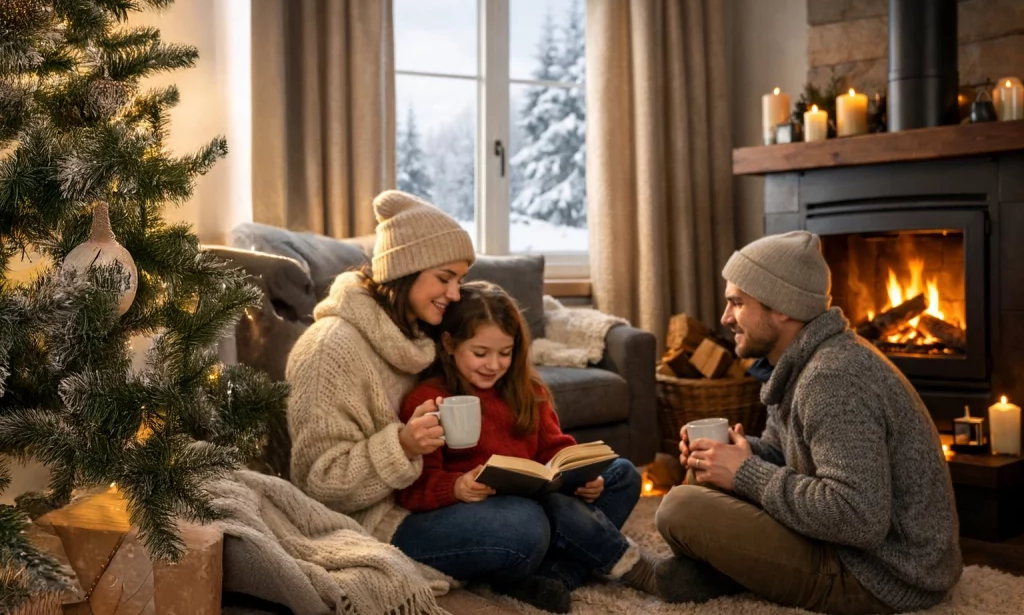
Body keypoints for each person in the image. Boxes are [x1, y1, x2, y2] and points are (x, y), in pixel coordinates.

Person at [653, 231, 962, 614]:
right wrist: (734, 454)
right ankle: (720, 569)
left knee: (680, 509)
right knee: (703, 469)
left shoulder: (832, 377)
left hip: (883, 574)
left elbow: (859, 519)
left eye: (736, 303)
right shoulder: (800, 360)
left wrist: (746, 472)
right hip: (850, 549)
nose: (725, 318)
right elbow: (789, 454)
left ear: (781, 308)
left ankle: (713, 571)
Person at [286, 191, 553, 604]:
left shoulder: (417, 337)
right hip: (373, 524)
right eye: (445, 278)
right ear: (404, 271)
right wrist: (403, 445)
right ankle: (524, 564)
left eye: (460, 280)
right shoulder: (329, 349)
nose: (456, 293)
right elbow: (317, 484)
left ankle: (521, 564)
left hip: (429, 502)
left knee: (558, 500)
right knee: (523, 527)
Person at [394, 282, 655, 613]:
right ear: (449, 343)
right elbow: (412, 490)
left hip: (538, 499)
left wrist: (584, 477)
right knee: (536, 516)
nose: (493, 365)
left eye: (505, 353)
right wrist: (458, 487)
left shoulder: (527, 390)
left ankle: (555, 577)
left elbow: (554, 450)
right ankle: (633, 566)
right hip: (488, 515)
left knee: (623, 474)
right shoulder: (428, 401)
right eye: (480, 353)